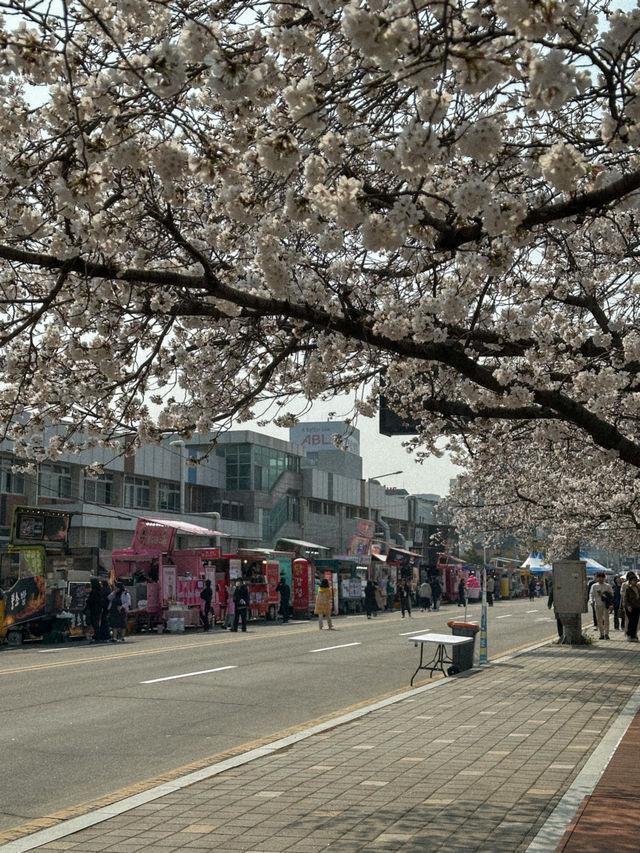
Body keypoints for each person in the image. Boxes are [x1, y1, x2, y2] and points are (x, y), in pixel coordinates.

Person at [589, 571, 614, 640]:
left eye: (602, 577)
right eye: (598, 577)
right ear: (596, 578)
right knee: (599, 620)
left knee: (606, 619)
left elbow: (611, 594)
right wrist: (591, 601)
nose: (600, 579)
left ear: (604, 578)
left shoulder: (607, 586)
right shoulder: (594, 586)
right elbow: (591, 594)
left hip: (605, 605)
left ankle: (606, 634)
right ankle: (601, 633)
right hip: (597, 604)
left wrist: (603, 595)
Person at [622, 572, 640, 642]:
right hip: (630, 608)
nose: (634, 581)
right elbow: (625, 599)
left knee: (636, 622)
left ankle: (634, 635)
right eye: (633, 580)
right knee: (631, 622)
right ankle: (629, 635)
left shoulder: (638, 588)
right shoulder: (628, 589)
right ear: (630, 581)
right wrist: (628, 606)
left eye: (635, 580)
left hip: (637, 607)